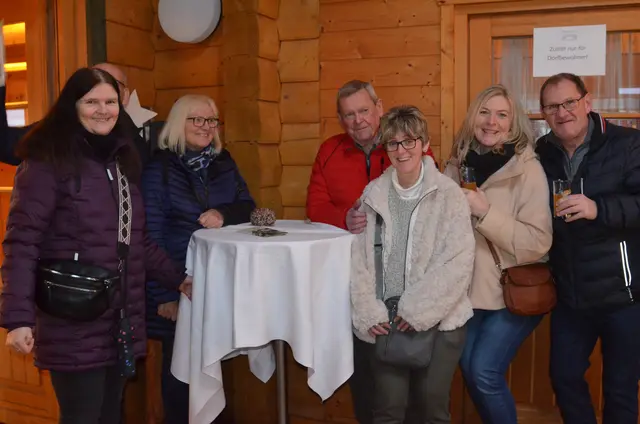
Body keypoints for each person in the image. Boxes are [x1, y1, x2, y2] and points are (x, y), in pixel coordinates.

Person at [0, 67, 191, 424]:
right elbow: (22, 242)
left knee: (109, 415)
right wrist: (18, 320)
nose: (103, 110)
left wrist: (179, 280)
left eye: (110, 102)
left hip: (119, 317)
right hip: (72, 319)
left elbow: (135, 240)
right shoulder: (46, 160)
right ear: (72, 105)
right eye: (91, 102)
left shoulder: (122, 160)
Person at [305, 80, 435, 423]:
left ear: (379, 108)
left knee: (408, 371)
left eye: (363, 110)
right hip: (353, 279)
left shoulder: (402, 142)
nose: (358, 120)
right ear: (340, 119)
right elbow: (315, 206)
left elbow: (429, 193)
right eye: (348, 115)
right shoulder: (329, 150)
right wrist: (344, 218)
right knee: (363, 368)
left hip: (404, 278)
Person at [350, 105, 474, 423]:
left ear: (424, 143)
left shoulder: (449, 195)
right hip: (387, 322)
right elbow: (359, 260)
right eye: (393, 143)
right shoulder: (373, 194)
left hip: (441, 323)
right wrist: (369, 312)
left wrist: (417, 310)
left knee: (431, 411)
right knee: (387, 411)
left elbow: (457, 263)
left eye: (409, 141)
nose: (401, 150)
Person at [141, 94, 255, 423]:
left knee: (212, 367)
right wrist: (165, 294)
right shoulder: (159, 168)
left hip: (218, 282)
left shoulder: (223, 161)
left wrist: (223, 213)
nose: (206, 127)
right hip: (177, 284)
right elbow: (150, 234)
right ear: (180, 122)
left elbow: (248, 206)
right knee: (180, 372)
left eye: (212, 120)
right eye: (197, 120)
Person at [535, 73, 640, 424]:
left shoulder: (628, 143)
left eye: (569, 102)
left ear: (587, 102)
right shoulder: (541, 152)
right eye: (552, 106)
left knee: (620, 391)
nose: (562, 112)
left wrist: (599, 209)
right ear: (544, 113)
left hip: (624, 296)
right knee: (563, 378)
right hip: (571, 296)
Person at [444, 85, 552, 423]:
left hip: (511, 292)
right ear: (473, 117)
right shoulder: (456, 164)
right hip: (468, 294)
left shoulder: (528, 169)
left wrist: (486, 213)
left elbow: (538, 242)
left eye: (502, 115)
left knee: (483, 372)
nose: (492, 122)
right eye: (485, 112)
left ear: (513, 123)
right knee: (468, 367)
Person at [0, 62, 159, 165]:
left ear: (125, 96)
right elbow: (6, 145)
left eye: (112, 84)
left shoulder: (135, 145)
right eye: (93, 84)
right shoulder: (57, 131)